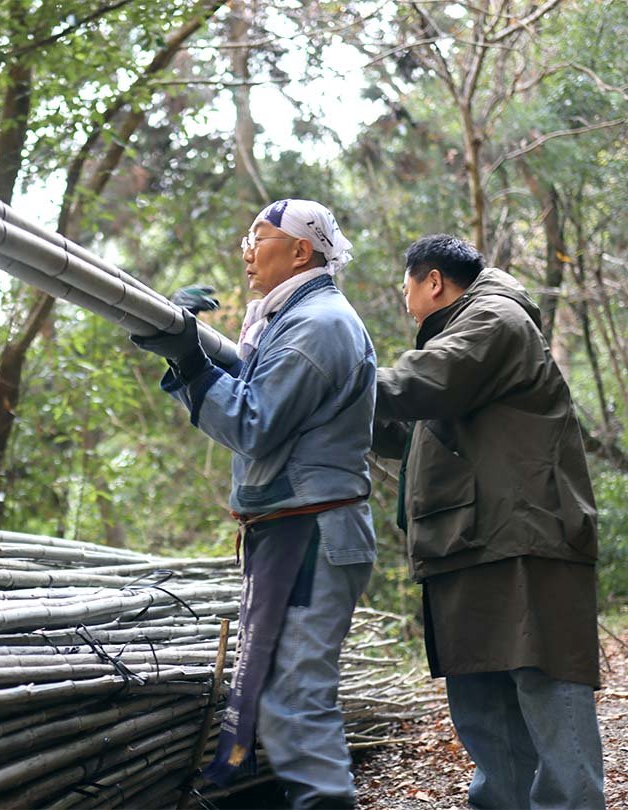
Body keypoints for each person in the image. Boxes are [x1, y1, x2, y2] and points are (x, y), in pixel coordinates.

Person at [131, 199, 377, 809]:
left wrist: (190, 358)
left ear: (300, 250)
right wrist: (180, 343)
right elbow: (251, 383)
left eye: (257, 237)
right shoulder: (289, 319)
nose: (246, 249)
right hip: (293, 530)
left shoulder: (317, 325)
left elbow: (255, 421)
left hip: (310, 533)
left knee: (295, 699)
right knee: (278, 694)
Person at [373, 234, 605, 809]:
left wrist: (325, 379)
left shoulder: (494, 319)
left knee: (545, 686)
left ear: (433, 281)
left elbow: (420, 382)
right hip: (469, 542)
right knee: (482, 700)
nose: (405, 301)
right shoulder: (461, 341)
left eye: (407, 286)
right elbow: (409, 434)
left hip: (525, 537)